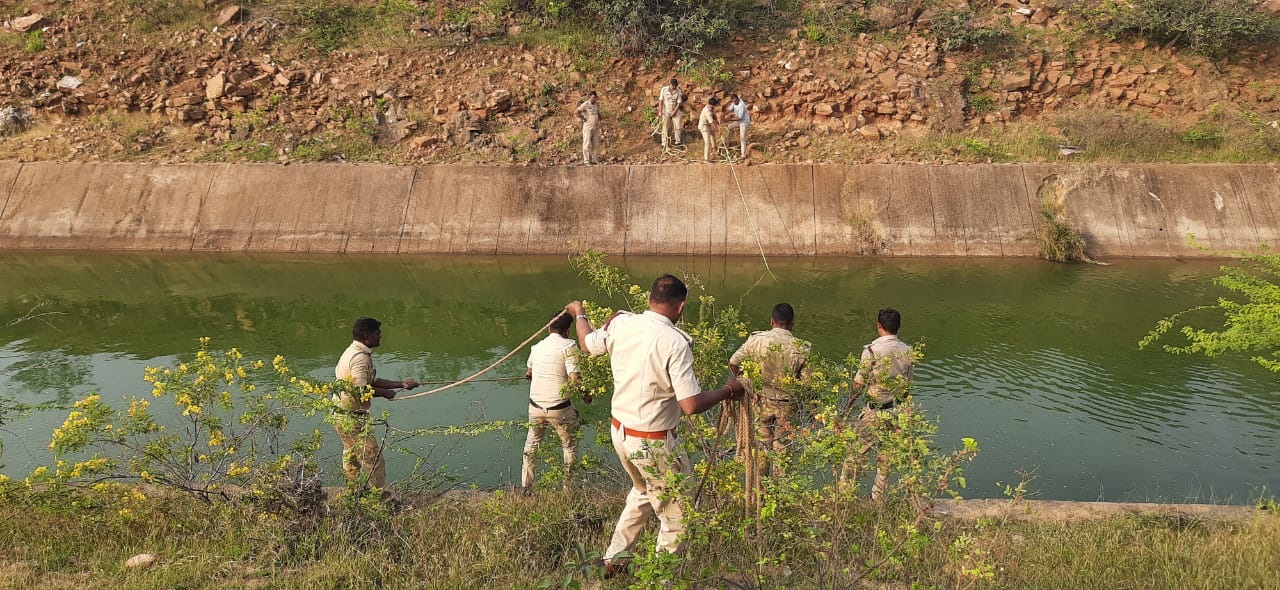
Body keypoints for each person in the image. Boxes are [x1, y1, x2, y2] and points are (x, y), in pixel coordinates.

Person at [566, 275, 747, 577]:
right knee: (676, 517)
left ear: (649, 299)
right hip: (654, 443)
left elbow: (586, 344)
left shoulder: (622, 324)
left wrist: (579, 313)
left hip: (621, 433)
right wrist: (730, 389)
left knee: (642, 493)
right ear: (682, 306)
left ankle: (613, 562)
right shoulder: (675, 341)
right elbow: (691, 405)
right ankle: (660, 579)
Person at [333, 317, 420, 490]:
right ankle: (378, 499)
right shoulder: (359, 358)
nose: (380, 336)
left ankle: (353, 493)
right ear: (367, 336)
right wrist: (386, 394)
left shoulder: (354, 352)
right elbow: (361, 391)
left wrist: (401, 384)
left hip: (343, 415)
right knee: (372, 458)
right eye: (377, 333)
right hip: (351, 418)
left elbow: (372, 381)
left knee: (352, 456)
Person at [728, 303, 810, 464]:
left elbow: (733, 362)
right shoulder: (803, 348)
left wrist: (748, 384)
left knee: (761, 449)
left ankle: (761, 487)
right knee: (782, 452)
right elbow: (807, 384)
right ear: (792, 324)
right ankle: (778, 488)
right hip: (787, 405)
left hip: (760, 400)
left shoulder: (757, 340)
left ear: (772, 321)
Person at [848, 308, 913, 502]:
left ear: (879, 326)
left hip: (874, 411)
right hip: (897, 411)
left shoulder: (872, 351)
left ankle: (845, 495)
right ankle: (878, 498)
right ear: (898, 327)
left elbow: (859, 383)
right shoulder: (908, 351)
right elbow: (907, 387)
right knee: (887, 458)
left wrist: (848, 405)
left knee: (855, 455)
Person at [520, 311, 589, 491]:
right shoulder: (569, 345)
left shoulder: (537, 347)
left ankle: (526, 488)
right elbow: (574, 378)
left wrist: (533, 374)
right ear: (568, 330)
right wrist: (586, 394)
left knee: (532, 445)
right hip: (560, 408)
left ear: (549, 327)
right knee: (569, 447)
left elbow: (529, 373)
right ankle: (568, 489)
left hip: (535, 407)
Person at [656, 78, 684, 148]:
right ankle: (664, 143)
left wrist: (674, 112)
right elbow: (661, 101)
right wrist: (660, 111)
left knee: (677, 127)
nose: (674, 87)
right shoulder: (664, 90)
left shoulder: (678, 91)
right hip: (666, 110)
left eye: (675, 86)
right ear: (670, 84)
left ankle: (678, 142)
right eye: (673, 85)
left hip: (675, 110)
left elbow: (679, 103)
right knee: (665, 127)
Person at [576, 91, 600, 165]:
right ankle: (586, 161)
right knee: (586, 144)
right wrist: (583, 118)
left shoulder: (596, 104)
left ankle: (594, 159)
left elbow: (597, 112)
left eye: (595, 98)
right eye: (593, 98)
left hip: (595, 127)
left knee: (595, 144)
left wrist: (600, 117)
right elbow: (576, 112)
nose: (594, 99)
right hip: (587, 128)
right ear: (590, 97)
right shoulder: (585, 104)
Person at [726, 93, 751, 159]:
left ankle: (743, 155)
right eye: (733, 101)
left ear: (738, 99)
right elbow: (729, 109)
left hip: (744, 122)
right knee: (729, 127)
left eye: (735, 101)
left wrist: (729, 119)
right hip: (739, 121)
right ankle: (727, 144)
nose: (734, 102)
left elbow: (740, 118)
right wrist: (723, 115)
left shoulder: (741, 105)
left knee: (742, 138)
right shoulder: (734, 103)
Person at [698, 97, 721, 162]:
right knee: (707, 142)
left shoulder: (711, 107)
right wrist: (718, 131)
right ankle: (706, 159)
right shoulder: (707, 111)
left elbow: (714, 116)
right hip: (704, 127)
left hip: (708, 125)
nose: (716, 106)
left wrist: (716, 120)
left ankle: (715, 150)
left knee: (712, 136)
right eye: (715, 105)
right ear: (712, 104)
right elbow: (711, 123)